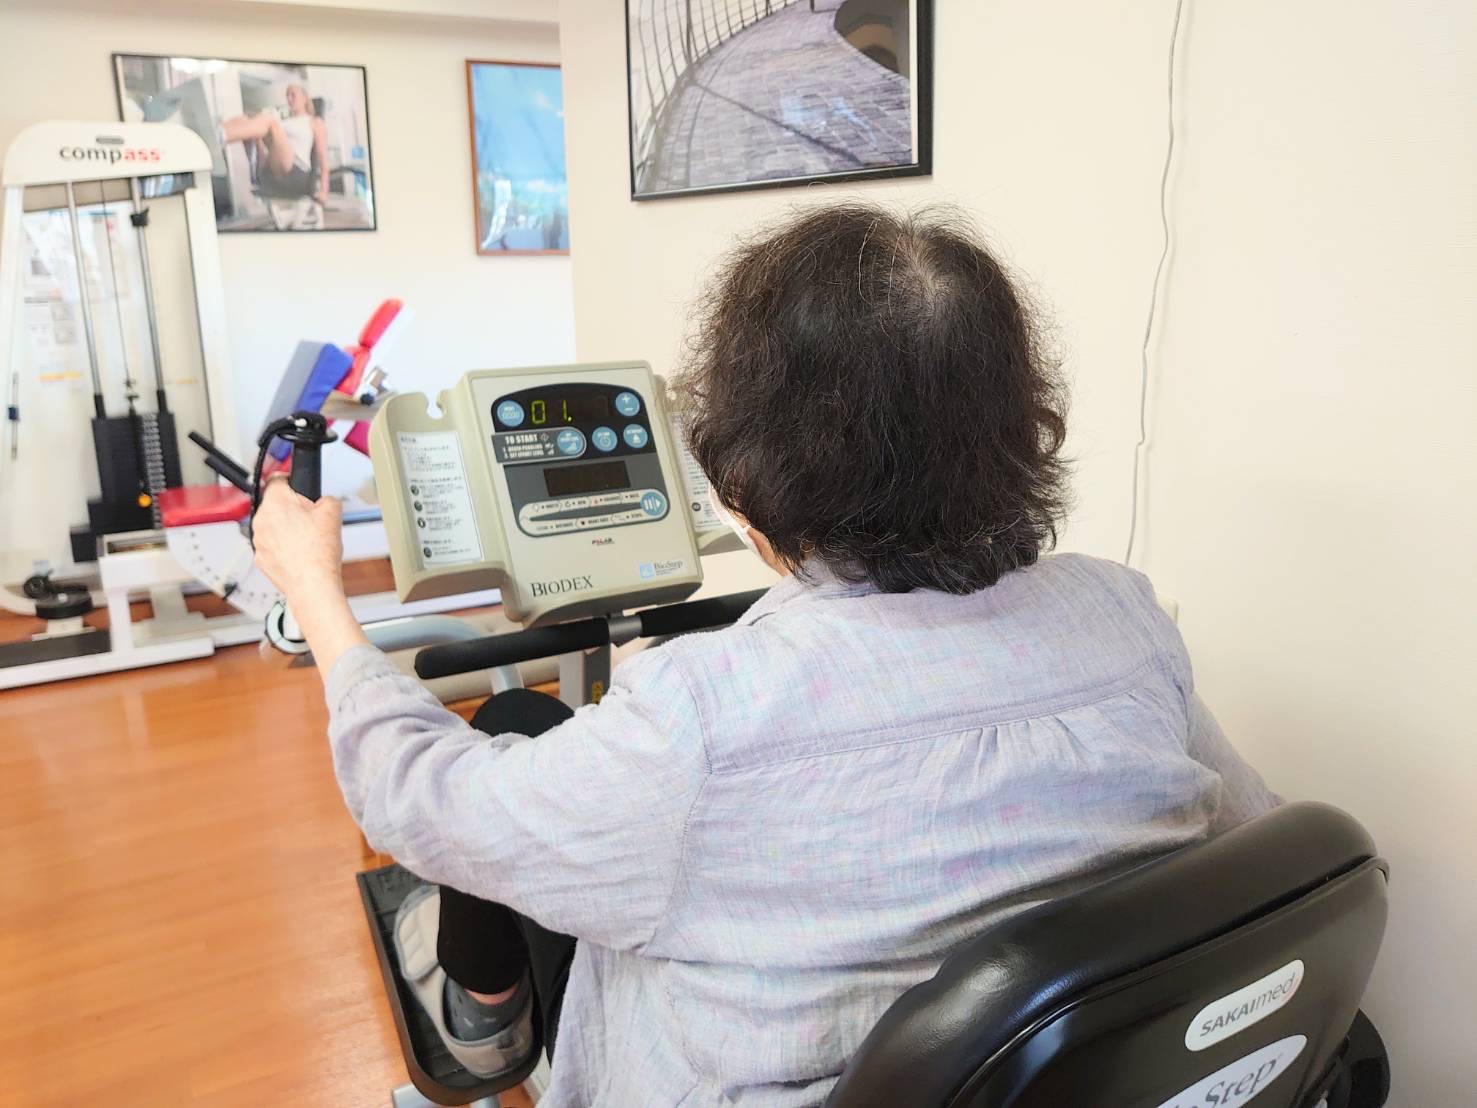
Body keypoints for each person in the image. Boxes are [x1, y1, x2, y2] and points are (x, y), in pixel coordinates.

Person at [251, 203, 1279, 1106]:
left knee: (510, 732)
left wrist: (316, 594)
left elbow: (421, 800)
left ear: (747, 466)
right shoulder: (1123, 614)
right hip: (1057, 1077)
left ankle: (483, 1020)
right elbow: (1255, 839)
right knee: (529, 720)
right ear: (1019, 425)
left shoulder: (703, 719)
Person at [221, 82, 329, 209]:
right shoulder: (284, 121)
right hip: (271, 168)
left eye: (293, 95)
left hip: (296, 172)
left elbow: (323, 158)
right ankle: (216, 132)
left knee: (270, 119)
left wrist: (324, 191)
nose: (289, 99)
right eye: (287, 95)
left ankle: (221, 135)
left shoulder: (314, 122)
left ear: (304, 97)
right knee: (246, 118)